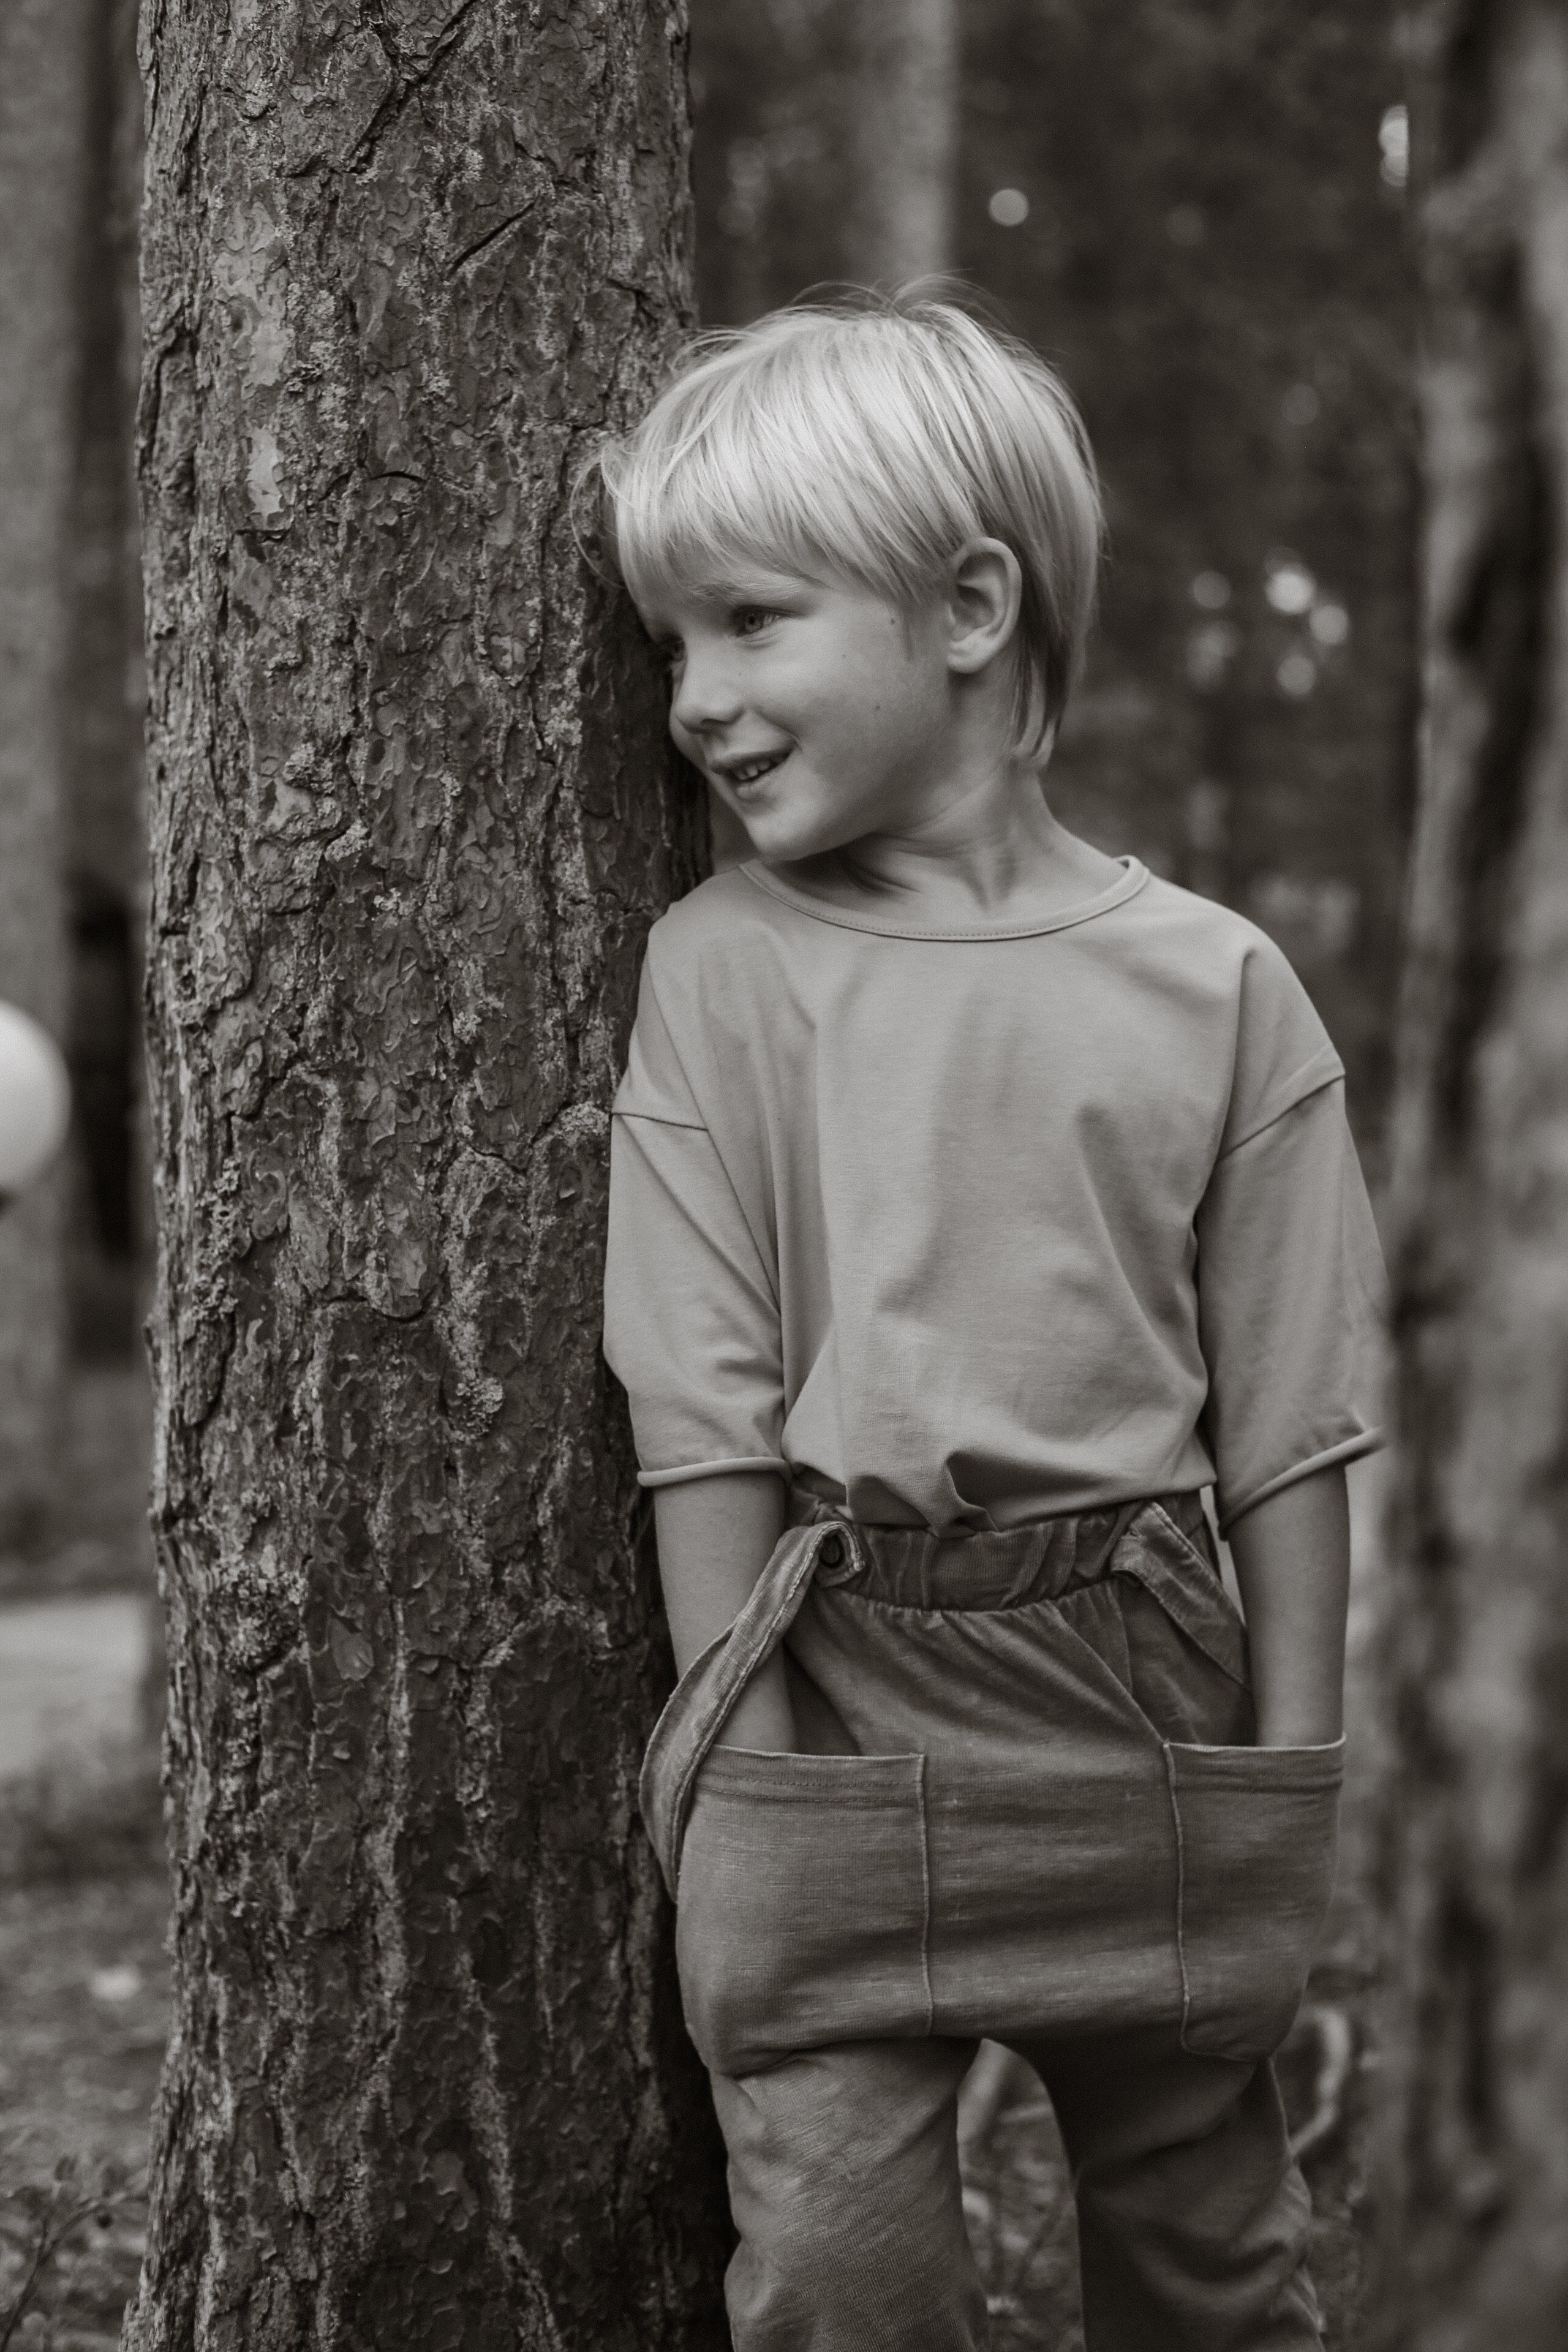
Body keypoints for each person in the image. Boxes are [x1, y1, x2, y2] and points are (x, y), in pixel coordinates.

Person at [590, 287, 1385, 2351]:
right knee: (846, 2278)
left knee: (1216, 2263)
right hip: (832, 1684)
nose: (692, 696)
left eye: (752, 621)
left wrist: (1286, 1784)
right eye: (672, 640)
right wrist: (743, 1797)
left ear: (966, 605)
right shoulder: (718, 969)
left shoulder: (1218, 991)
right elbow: (703, 1413)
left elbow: (1294, 1427)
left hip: (1144, 1695)